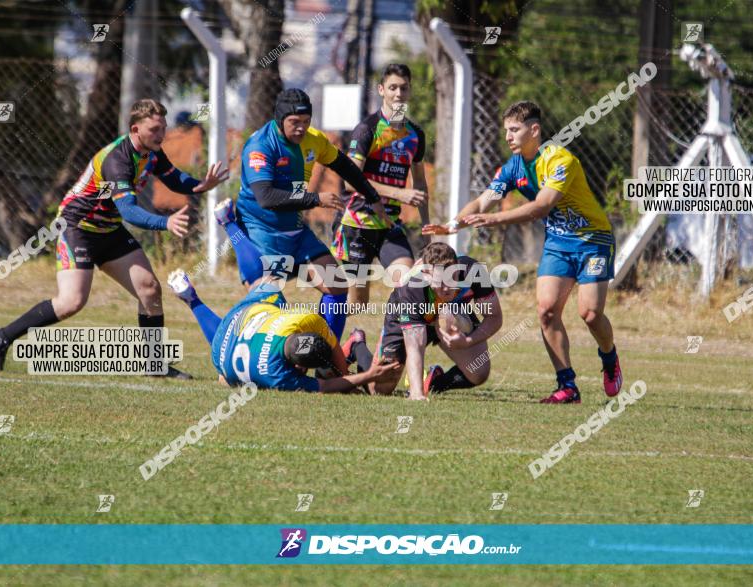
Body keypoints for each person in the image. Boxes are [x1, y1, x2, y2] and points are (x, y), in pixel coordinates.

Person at [0, 98, 228, 378]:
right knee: (71, 302)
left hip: (108, 229)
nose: (161, 135)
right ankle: (1, 336)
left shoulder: (152, 152)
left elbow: (174, 179)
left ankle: (154, 365)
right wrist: (166, 222)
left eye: (162, 128)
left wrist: (200, 185)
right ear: (135, 129)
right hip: (78, 228)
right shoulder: (117, 161)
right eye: (154, 129)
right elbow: (130, 212)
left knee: (149, 289)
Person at [423, 100, 622, 403]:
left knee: (590, 313)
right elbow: (482, 203)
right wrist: (453, 225)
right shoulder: (512, 167)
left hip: (592, 241)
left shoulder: (560, 160)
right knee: (546, 311)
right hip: (558, 243)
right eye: (506, 131)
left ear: (534, 130)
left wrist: (493, 219)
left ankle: (609, 359)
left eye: (514, 130)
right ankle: (567, 386)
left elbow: (542, 205)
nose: (508, 136)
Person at [167, 210, 397, 392]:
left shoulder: (301, 319)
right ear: (298, 368)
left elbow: (328, 371)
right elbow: (325, 387)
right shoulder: (276, 375)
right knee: (224, 374)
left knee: (263, 278)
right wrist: (362, 377)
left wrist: (356, 376)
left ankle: (229, 224)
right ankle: (193, 299)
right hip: (227, 342)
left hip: (256, 313)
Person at [234, 88, 390, 341]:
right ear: (279, 119)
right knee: (267, 302)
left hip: (296, 230)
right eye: (294, 122)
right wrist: (316, 199)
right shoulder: (260, 146)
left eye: (306, 122)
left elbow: (345, 167)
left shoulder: (313, 140)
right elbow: (266, 198)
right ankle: (242, 359)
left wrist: (373, 198)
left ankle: (325, 355)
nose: (301, 128)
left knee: (337, 285)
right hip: (263, 231)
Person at [343, 242, 503, 401]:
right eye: (440, 282)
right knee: (379, 389)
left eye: (452, 278)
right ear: (426, 274)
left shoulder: (471, 271)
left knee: (479, 372)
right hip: (403, 316)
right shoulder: (412, 288)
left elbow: (494, 317)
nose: (447, 288)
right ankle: (357, 344)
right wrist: (416, 394)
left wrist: (467, 342)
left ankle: (434, 383)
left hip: (448, 314)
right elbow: (415, 345)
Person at [330, 63, 429, 305]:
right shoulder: (367, 130)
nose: (398, 94)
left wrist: (427, 226)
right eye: (392, 87)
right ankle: (348, 341)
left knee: (409, 285)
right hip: (357, 224)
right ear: (381, 90)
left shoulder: (415, 135)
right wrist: (399, 193)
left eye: (404, 88)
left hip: (389, 225)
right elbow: (351, 181)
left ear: (410, 91)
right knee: (358, 304)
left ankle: (393, 338)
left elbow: (420, 184)